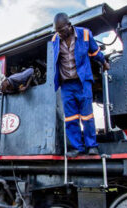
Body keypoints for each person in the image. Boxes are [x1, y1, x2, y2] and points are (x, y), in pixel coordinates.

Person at [52, 13, 110, 157]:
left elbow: (95, 52)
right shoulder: (54, 39)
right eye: (57, 31)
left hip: (82, 82)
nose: (59, 34)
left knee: (87, 115)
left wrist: (103, 62)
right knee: (71, 118)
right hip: (66, 85)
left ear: (69, 25)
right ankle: (78, 147)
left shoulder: (84, 34)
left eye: (61, 30)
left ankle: (92, 146)